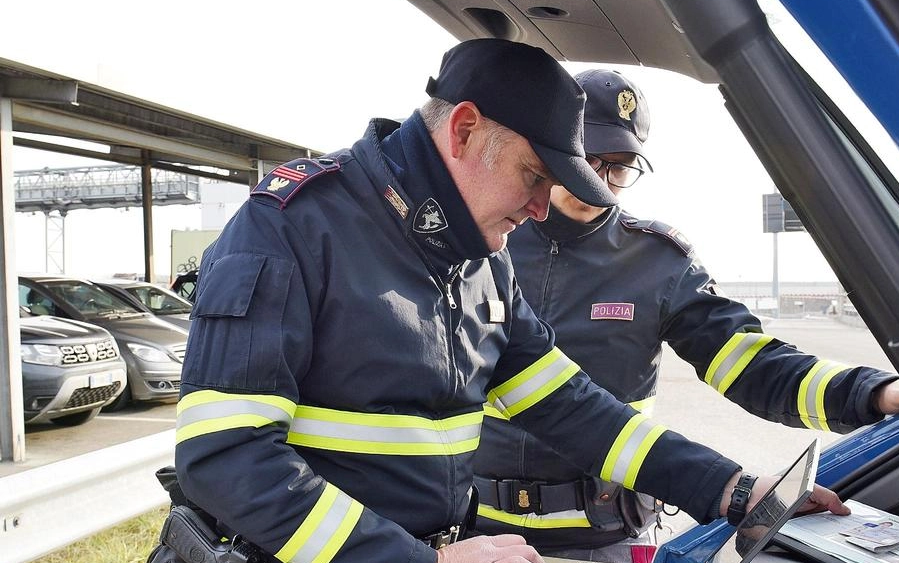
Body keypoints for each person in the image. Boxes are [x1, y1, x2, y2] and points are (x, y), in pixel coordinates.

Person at [167, 40, 845, 563]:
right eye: (532, 175)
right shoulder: (291, 225)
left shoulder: (480, 260)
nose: (540, 207)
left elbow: (572, 409)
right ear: (462, 131)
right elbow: (227, 455)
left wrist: (729, 489)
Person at [471, 69, 899, 560]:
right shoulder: (488, 240)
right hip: (477, 534)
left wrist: (871, 392)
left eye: (619, 167)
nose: (599, 181)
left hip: (607, 538)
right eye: (587, 158)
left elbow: (751, 365)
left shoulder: (658, 262)